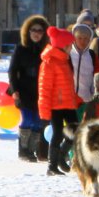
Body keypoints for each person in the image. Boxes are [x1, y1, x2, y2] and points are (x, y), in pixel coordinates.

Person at [38, 25, 82, 176]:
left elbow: (68, 85)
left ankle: (61, 155)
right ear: (62, 46)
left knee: (75, 131)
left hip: (68, 104)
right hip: (55, 106)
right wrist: (44, 110)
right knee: (57, 134)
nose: (71, 48)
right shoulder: (49, 62)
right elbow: (44, 88)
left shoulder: (64, 61)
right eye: (69, 45)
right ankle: (52, 165)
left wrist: (75, 99)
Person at [6, 15, 49, 163]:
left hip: (40, 90)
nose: (36, 33)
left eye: (40, 30)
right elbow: (12, 71)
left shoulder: (46, 49)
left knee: (37, 121)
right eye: (33, 30)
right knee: (27, 119)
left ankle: (32, 150)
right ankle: (23, 150)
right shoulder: (20, 48)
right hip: (23, 90)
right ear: (27, 31)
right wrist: (14, 90)